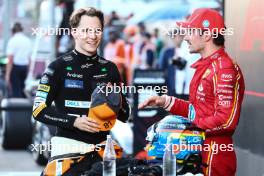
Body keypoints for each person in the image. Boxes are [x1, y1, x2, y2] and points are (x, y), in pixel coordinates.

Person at [139, 8, 245, 176]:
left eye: (190, 31)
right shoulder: (206, 65)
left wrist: (187, 129)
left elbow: (226, 120)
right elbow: (196, 112)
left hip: (214, 157)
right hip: (197, 152)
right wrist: (166, 102)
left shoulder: (223, 68)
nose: (186, 37)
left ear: (207, 35)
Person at [32, 7, 130, 174]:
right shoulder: (58, 67)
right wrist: (74, 121)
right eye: (86, 30)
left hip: (102, 154)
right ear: (74, 32)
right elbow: (38, 110)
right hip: (67, 152)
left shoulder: (111, 69)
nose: (92, 36)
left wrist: (118, 102)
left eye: (97, 30)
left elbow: (125, 115)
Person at [6, 22, 32, 97]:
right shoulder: (27, 40)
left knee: (16, 90)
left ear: (13, 31)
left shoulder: (12, 40)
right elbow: (29, 58)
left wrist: (7, 75)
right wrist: (29, 70)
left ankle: (17, 107)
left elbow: (10, 59)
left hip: (16, 67)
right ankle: (23, 106)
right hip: (25, 67)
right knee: (22, 88)